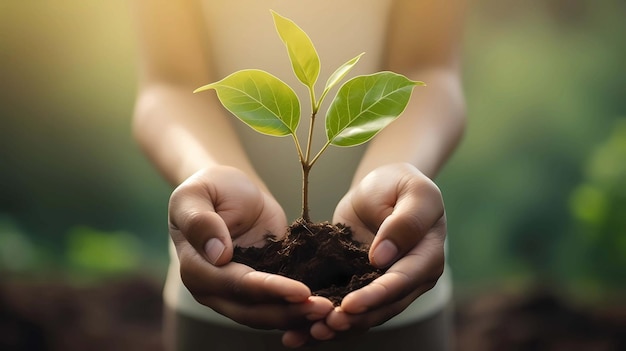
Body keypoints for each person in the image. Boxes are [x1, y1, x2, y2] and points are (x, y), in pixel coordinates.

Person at [131, 0, 466, 349]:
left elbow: (431, 69)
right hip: (221, 270)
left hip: (394, 272)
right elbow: (169, 83)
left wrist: (395, 176)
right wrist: (208, 174)